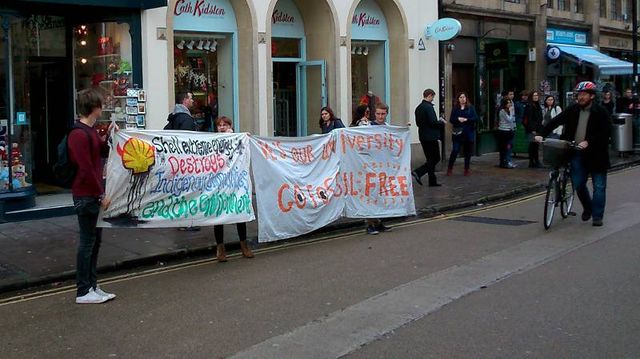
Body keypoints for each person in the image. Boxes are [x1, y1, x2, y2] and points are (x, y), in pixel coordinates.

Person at [535, 81, 612, 227]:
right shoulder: (573, 109)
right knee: (578, 183)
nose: (580, 97)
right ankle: (588, 207)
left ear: (592, 96)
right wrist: (541, 133)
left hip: (597, 155)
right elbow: (555, 121)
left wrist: (589, 141)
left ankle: (597, 216)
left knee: (599, 187)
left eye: (584, 94)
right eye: (579, 95)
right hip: (577, 152)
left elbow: (606, 133)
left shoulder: (601, 112)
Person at [69, 88, 118, 304]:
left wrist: (109, 134)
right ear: (94, 108)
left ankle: (92, 286)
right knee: (87, 242)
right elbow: (85, 168)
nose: (102, 108)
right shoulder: (78, 134)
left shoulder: (90, 132)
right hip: (86, 196)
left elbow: (103, 151)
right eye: (100, 105)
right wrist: (100, 194)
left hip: (92, 195)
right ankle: (82, 291)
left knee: (95, 242)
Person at [213, 116, 254, 262]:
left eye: (225, 125)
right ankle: (220, 249)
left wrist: (243, 137)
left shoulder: (238, 139)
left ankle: (244, 246)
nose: (222, 127)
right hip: (219, 184)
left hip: (235, 183)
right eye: (219, 125)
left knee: (240, 213)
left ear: (230, 126)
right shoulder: (213, 141)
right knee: (218, 216)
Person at [352, 102, 392, 235]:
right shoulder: (368, 126)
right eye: (378, 114)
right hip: (369, 167)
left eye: (383, 114)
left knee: (379, 196)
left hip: (383, 167)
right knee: (370, 195)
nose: (380, 116)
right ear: (375, 114)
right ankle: (369, 224)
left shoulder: (388, 128)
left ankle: (378, 222)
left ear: (387, 114)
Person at [411, 89, 444, 186]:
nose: (433, 99)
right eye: (433, 97)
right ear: (429, 96)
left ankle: (432, 181)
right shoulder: (428, 107)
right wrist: (441, 123)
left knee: (430, 159)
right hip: (431, 137)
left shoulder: (418, 108)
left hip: (423, 136)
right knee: (436, 158)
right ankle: (418, 172)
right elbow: (433, 122)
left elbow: (418, 123)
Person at [447, 92, 477, 176]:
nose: (462, 99)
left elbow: (475, 118)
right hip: (458, 134)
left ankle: (466, 169)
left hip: (468, 133)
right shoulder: (455, 108)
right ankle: (450, 168)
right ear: (458, 99)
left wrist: (467, 120)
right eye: (460, 97)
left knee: (467, 153)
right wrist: (458, 119)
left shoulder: (471, 108)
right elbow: (451, 119)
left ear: (466, 98)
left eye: (464, 97)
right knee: (455, 150)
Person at [524, 90, 543, 168]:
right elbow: (529, 118)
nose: (536, 97)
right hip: (532, 129)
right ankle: (532, 161)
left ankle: (536, 161)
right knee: (532, 145)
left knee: (535, 145)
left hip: (537, 128)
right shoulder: (529, 106)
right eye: (534, 96)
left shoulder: (537, 105)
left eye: (537, 95)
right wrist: (532, 129)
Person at [496, 97, 516, 169]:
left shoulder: (509, 110)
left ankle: (507, 161)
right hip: (503, 131)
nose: (509, 104)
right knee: (504, 148)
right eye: (508, 103)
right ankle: (504, 162)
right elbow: (509, 119)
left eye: (510, 102)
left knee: (508, 147)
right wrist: (511, 111)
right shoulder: (502, 111)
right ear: (504, 104)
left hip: (509, 130)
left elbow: (513, 120)